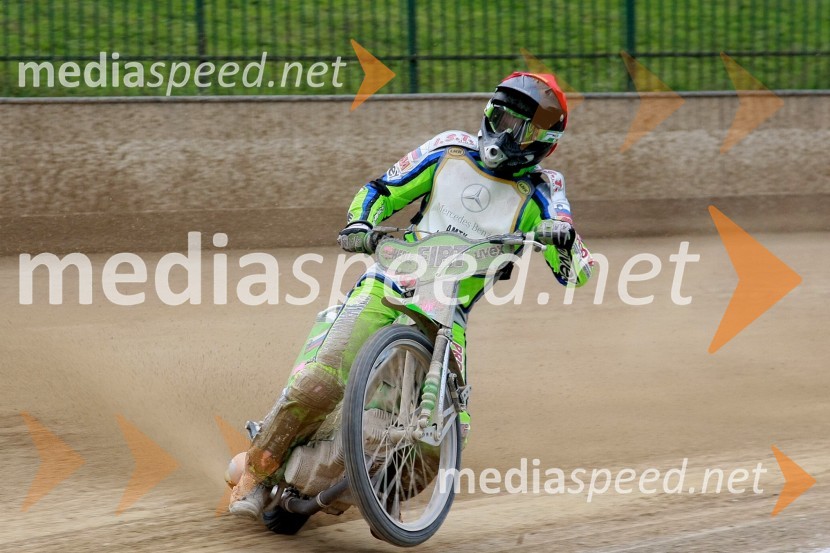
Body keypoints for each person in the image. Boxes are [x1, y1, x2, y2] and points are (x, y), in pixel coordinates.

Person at [229, 72, 594, 518]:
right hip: (391, 283)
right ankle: (252, 477)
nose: (504, 134)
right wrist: (359, 225)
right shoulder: (449, 148)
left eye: (521, 128)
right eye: (500, 117)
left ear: (545, 141)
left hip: (449, 316)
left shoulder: (544, 189)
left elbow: (575, 274)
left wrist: (562, 240)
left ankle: (347, 493)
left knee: (438, 446)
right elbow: (381, 190)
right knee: (319, 383)